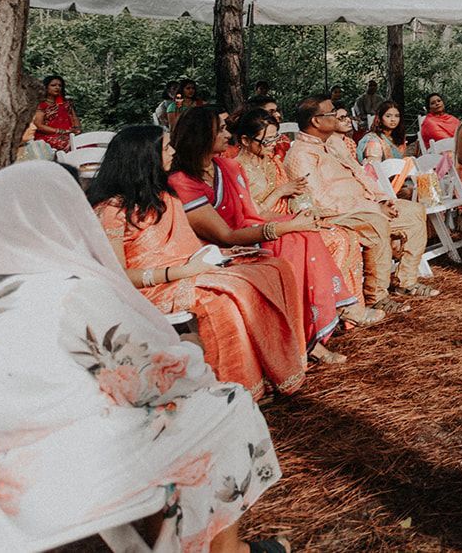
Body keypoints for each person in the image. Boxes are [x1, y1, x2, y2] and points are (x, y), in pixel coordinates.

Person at [0, 162, 287, 553]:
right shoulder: (66, 291)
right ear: (65, 218)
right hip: (45, 487)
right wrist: (193, 349)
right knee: (225, 405)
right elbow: (163, 379)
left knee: (161, 422)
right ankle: (228, 551)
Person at [88, 126, 307, 400]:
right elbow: (117, 275)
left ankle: (276, 370)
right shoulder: (112, 210)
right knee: (225, 300)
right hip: (151, 287)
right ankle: (235, 387)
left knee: (273, 268)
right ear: (145, 157)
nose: (173, 151)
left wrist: (222, 253)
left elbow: (183, 245)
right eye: (166, 147)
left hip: (188, 268)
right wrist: (182, 271)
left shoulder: (164, 196)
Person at [167, 106, 355, 365]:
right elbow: (226, 234)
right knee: (289, 246)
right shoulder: (183, 181)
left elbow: (251, 214)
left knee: (304, 236)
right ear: (201, 136)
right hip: (216, 249)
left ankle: (310, 333)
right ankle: (302, 343)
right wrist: (284, 227)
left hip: (248, 230)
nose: (227, 134)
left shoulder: (227, 167)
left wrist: (293, 222)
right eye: (220, 129)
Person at [230, 108, 382, 330]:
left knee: (344, 234)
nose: (273, 143)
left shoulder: (269, 160)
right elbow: (251, 214)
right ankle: (327, 314)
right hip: (263, 228)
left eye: (276, 136)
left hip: (289, 218)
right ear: (245, 139)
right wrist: (280, 193)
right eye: (268, 139)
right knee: (334, 240)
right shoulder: (237, 169)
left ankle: (346, 310)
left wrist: (308, 211)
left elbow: (295, 192)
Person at [283, 96, 433, 306]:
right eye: (331, 112)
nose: (337, 116)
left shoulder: (335, 143)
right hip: (336, 214)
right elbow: (320, 201)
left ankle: (404, 281)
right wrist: (374, 208)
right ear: (316, 121)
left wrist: (383, 199)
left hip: (365, 205)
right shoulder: (301, 155)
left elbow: (361, 174)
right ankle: (377, 296)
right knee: (376, 222)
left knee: (414, 210)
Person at [356, 101, 416, 196]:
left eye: (397, 116)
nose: (393, 119)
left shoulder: (397, 138)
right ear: (380, 118)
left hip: (400, 179)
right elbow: (373, 171)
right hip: (382, 186)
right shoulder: (374, 140)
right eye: (388, 116)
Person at [31, 74, 81, 153]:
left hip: (69, 134)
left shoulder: (67, 103)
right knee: (69, 144)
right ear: (46, 87)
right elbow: (39, 125)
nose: (57, 87)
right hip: (47, 136)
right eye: (53, 85)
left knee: (87, 144)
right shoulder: (41, 105)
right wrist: (62, 131)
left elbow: (74, 118)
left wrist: (77, 130)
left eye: (60, 85)